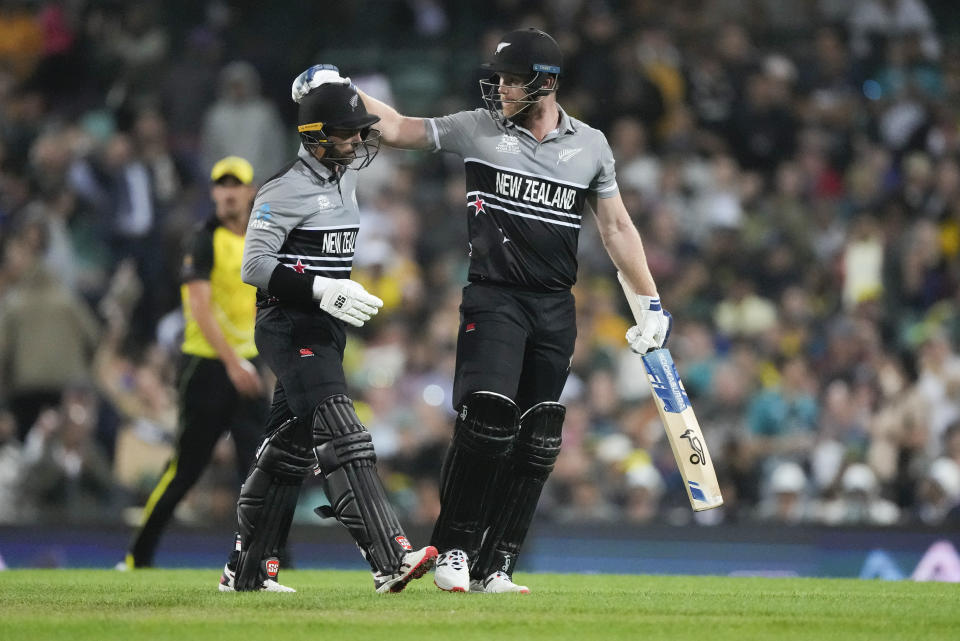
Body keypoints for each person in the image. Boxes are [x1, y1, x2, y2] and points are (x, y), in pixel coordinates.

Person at [303, 28, 670, 593]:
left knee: (538, 438)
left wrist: (648, 303)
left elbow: (617, 226)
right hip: (494, 296)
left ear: (544, 84)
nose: (498, 87)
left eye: (510, 79)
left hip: (554, 305)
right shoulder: (477, 127)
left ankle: (495, 564)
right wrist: (343, 91)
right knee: (488, 416)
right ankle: (452, 549)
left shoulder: (591, 145)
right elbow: (399, 128)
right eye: (497, 77)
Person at [218, 72, 437, 593]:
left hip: (327, 324)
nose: (359, 141)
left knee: (286, 451)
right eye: (347, 133)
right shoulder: (282, 189)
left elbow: (389, 125)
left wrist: (335, 79)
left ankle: (245, 571)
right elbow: (253, 266)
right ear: (315, 136)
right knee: (344, 430)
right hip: (288, 324)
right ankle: (390, 557)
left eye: (357, 131)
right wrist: (321, 289)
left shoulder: (343, 171)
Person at [121, 155, 267, 569]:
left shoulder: (260, 240)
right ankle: (138, 555)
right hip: (206, 367)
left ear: (250, 191)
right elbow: (200, 310)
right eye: (221, 185)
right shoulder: (202, 238)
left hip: (247, 364)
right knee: (185, 469)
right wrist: (235, 363)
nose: (228, 192)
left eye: (235, 184)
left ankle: (270, 559)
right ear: (213, 192)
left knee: (259, 469)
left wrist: (256, 357)